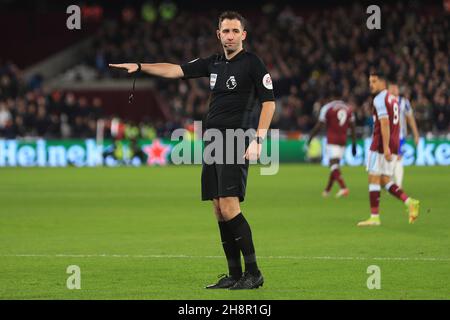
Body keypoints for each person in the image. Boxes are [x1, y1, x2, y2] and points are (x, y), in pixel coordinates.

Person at [109, 11, 276, 289]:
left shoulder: (253, 64)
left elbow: (269, 103)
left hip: (236, 139)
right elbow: (175, 70)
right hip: (212, 141)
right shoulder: (213, 63)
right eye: (226, 31)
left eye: (236, 31)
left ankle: (254, 272)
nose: (231, 36)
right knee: (218, 209)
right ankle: (235, 274)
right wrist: (140, 66)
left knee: (229, 205)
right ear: (218, 34)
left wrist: (258, 140)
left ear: (244, 35)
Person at [357, 72, 420, 227]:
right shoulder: (393, 99)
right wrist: (393, 146)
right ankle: (409, 202)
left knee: (373, 177)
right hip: (393, 143)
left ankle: (374, 217)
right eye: (369, 81)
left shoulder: (380, 99)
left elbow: (384, 123)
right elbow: (397, 123)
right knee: (385, 179)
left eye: (374, 81)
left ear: (382, 83)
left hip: (380, 144)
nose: (371, 84)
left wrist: (385, 147)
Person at [307, 98, 357, 198]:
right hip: (343, 140)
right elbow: (352, 127)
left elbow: (320, 125)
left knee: (333, 165)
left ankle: (343, 188)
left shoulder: (327, 108)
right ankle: (327, 190)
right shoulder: (348, 109)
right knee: (335, 166)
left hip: (332, 140)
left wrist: (311, 137)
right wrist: (354, 144)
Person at [387, 83, 419, 188]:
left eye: (396, 87)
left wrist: (416, 134)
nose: (395, 89)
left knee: (398, 157)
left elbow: (410, 119)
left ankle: (398, 185)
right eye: (392, 87)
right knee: (390, 159)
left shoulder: (404, 102)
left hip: (399, 135)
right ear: (388, 89)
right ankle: (391, 184)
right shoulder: (384, 101)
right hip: (387, 135)